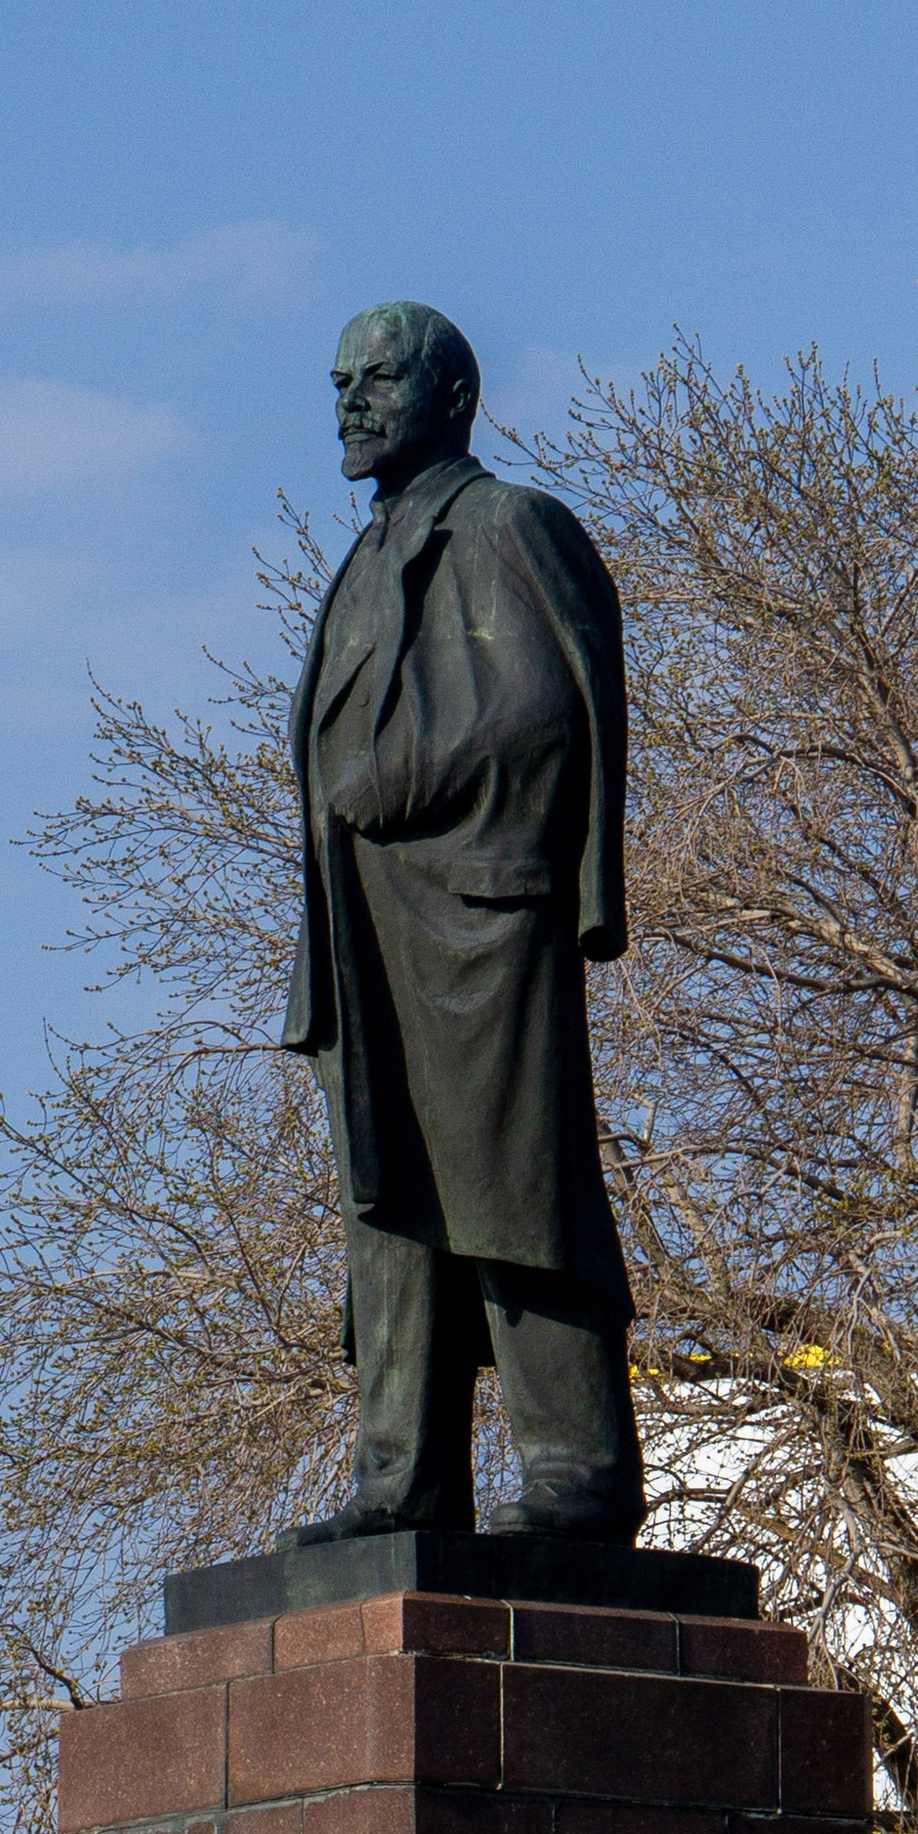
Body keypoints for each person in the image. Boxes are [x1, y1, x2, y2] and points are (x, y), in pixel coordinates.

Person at [281, 299, 645, 1544]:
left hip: (479, 922)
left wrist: (403, 776)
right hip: (367, 927)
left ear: (450, 394)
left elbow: (549, 711)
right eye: (338, 380)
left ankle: (575, 1477)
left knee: (516, 1196)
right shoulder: (370, 555)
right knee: (388, 1209)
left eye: (375, 377)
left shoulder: (504, 526)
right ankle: (402, 1483)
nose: (348, 401)